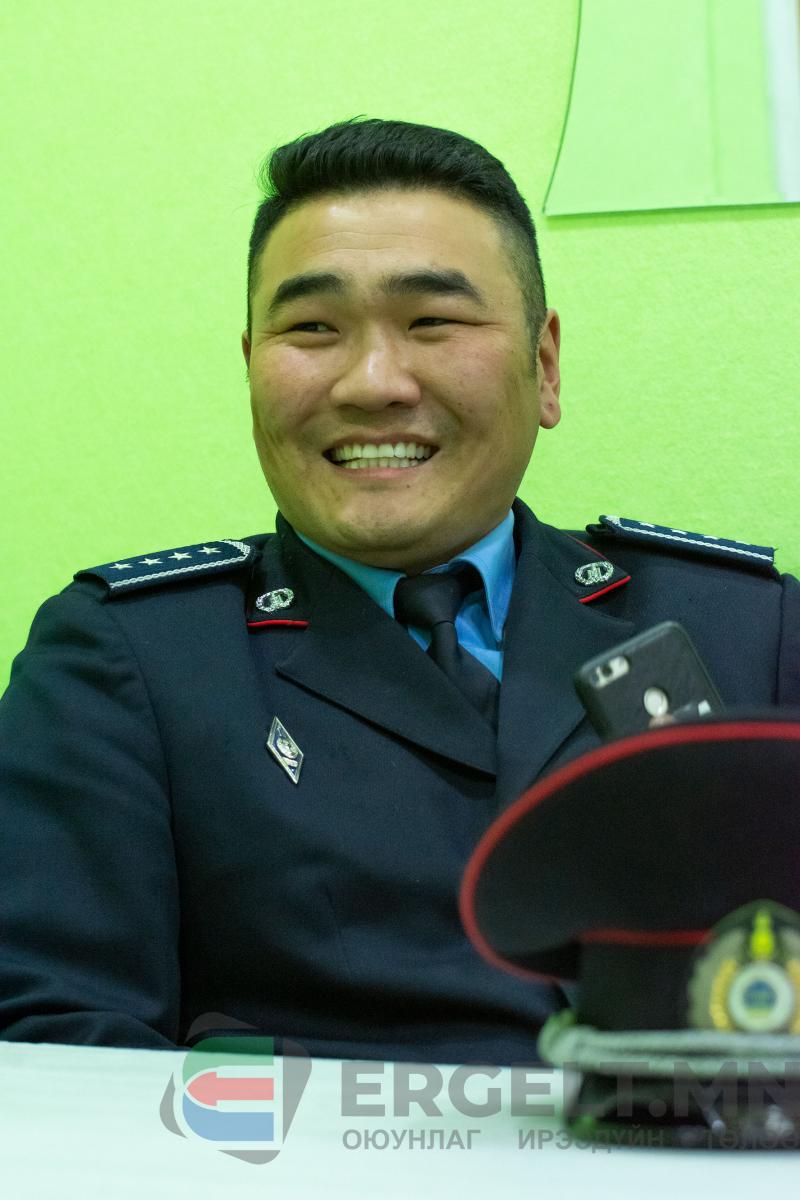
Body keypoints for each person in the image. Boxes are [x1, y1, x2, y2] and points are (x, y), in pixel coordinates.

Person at [1, 117, 798, 1063]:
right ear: (251, 367)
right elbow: (53, 1044)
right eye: (312, 329)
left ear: (544, 366)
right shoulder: (132, 660)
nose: (374, 382)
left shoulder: (749, 627)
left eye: (432, 322)